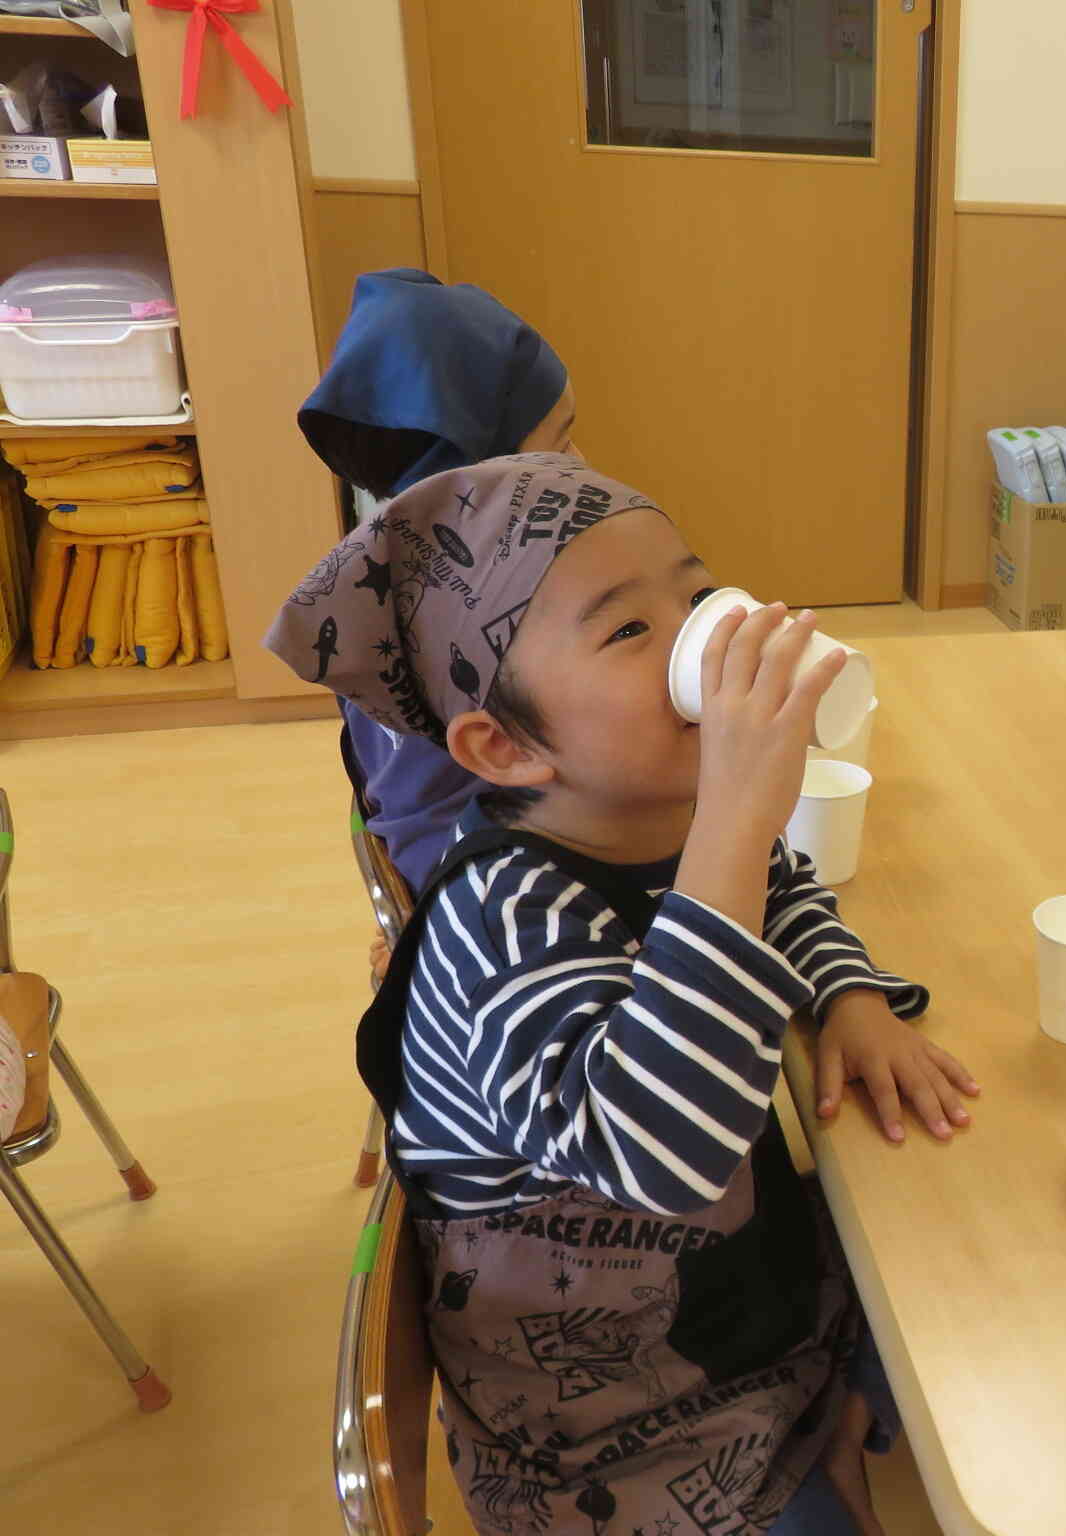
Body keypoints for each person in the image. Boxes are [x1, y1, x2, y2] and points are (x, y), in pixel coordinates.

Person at [267, 454, 978, 1534]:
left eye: (695, 597)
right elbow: (660, 1156)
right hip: (606, 1433)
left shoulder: (660, 810)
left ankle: (829, 1420)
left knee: (975, 1299)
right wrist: (741, 814)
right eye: (628, 631)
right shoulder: (502, 923)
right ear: (505, 748)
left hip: (741, 1318)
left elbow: (780, 892)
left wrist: (845, 998)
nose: (705, 637)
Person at [299, 268, 579, 898]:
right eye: (561, 440)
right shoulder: (504, 612)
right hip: (500, 891)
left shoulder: (381, 571)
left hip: (431, 871)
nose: (581, 464)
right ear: (474, 473)